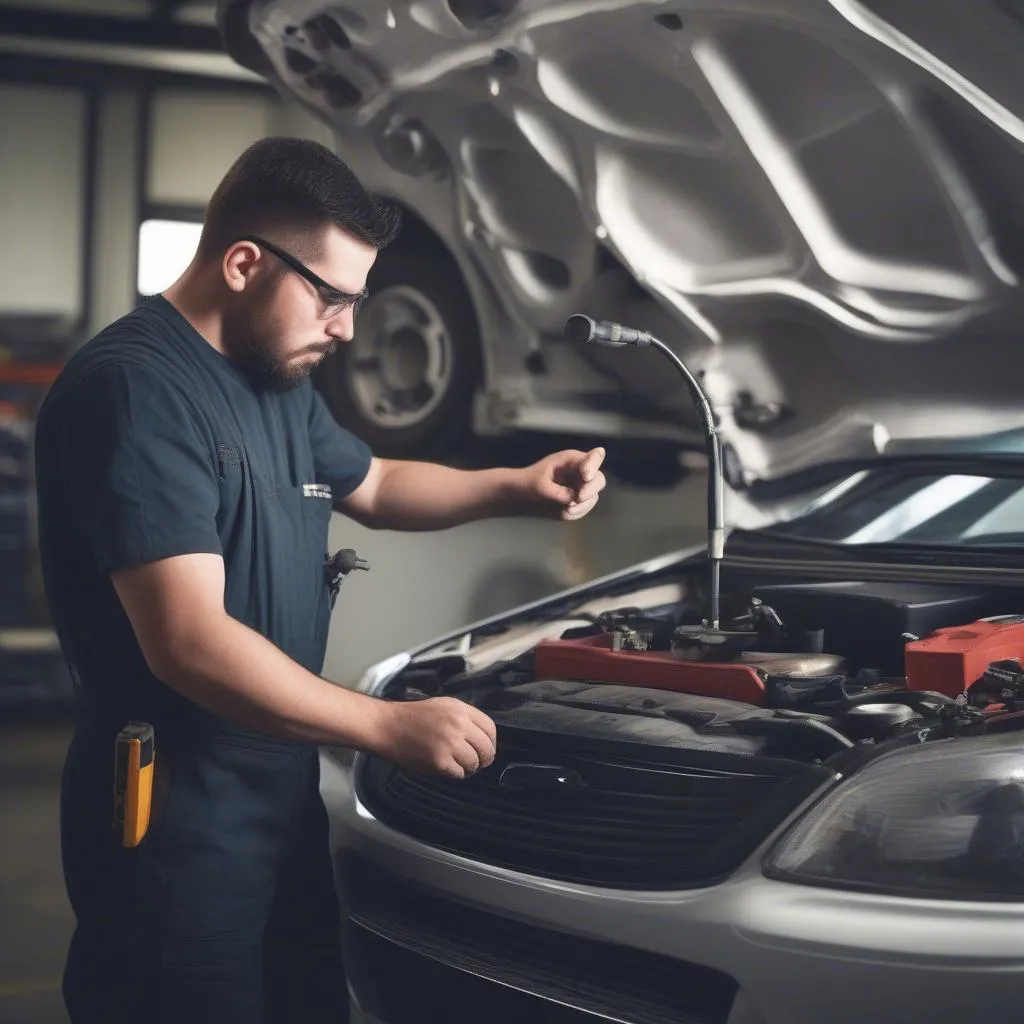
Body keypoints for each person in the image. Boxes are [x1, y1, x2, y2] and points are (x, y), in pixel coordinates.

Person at [33, 136, 607, 1023]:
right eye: (332, 298)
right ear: (241, 263)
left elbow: (373, 483)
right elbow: (189, 643)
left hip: (280, 795)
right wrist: (383, 725)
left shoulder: (277, 379)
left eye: (356, 302)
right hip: (176, 812)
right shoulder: (136, 392)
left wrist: (516, 486)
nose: (345, 329)